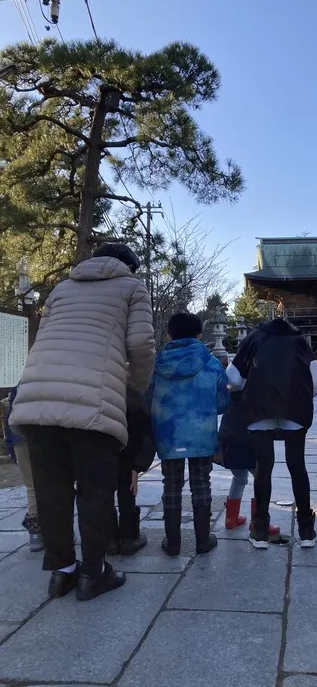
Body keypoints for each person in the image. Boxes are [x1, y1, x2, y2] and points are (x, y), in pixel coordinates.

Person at [9, 243, 155, 600]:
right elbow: (140, 343)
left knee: (51, 491)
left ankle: (61, 572)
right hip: (92, 400)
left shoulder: (61, 289)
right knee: (95, 490)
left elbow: (43, 338)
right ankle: (94, 572)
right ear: (129, 266)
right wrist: (134, 387)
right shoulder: (132, 287)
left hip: (38, 399)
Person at [227, 317, 317, 549]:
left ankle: (259, 530)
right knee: (297, 466)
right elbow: (314, 376)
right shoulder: (299, 340)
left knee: (263, 466)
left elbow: (233, 377)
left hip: (259, 406)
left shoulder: (255, 338)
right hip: (295, 405)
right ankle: (306, 530)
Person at [151, 312, 229, 557]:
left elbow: (147, 397)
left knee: (171, 485)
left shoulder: (157, 363)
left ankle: (172, 542)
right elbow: (223, 402)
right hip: (201, 433)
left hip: (168, 434)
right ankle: (203, 540)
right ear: (198, 334)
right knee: (201, 484)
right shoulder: (212, 362)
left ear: (168, 334)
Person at [216, 388, 280, 536]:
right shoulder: (257, 394)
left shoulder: (232, 394)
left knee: (239, 478)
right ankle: (258, 521)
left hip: (230, 444)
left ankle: (231, 518)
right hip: (250, 444)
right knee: (261, 478)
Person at [107, 386, 156, 556]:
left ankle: (110, 539)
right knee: (127, 492)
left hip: (101, 451)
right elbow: (146, 432)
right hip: (128, 452)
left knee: (103, 494)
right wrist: (138, 464)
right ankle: (128, 538)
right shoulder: (133, 391)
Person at [3, 385, 43, 552]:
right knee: (55, 485)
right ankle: (58, 532)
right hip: (43, 437)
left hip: (19, 437)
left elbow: (8, 418)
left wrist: (10, 446)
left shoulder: (19, 386)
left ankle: (36, 535)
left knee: (31, 486)